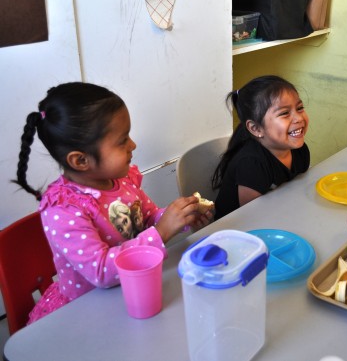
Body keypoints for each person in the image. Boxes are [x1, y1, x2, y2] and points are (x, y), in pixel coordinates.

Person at [12, 82, 214, 323]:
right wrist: (162, 232)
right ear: (80, 160)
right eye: (122, 140)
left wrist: (179, 218)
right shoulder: (64, 208)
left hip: (132, 293)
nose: (133, 145)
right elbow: (99, 271)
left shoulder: (121, 181)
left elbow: (147, 219)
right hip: (85, 313)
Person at [212, 75, 310, 219]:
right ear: (256, 129)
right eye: (284, 113)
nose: (299, 118)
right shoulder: (251, 164)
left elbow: (296, 192)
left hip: (282, 214)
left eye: (300, 108)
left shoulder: (300, 150)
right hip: (239, 231)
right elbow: (254, 218)